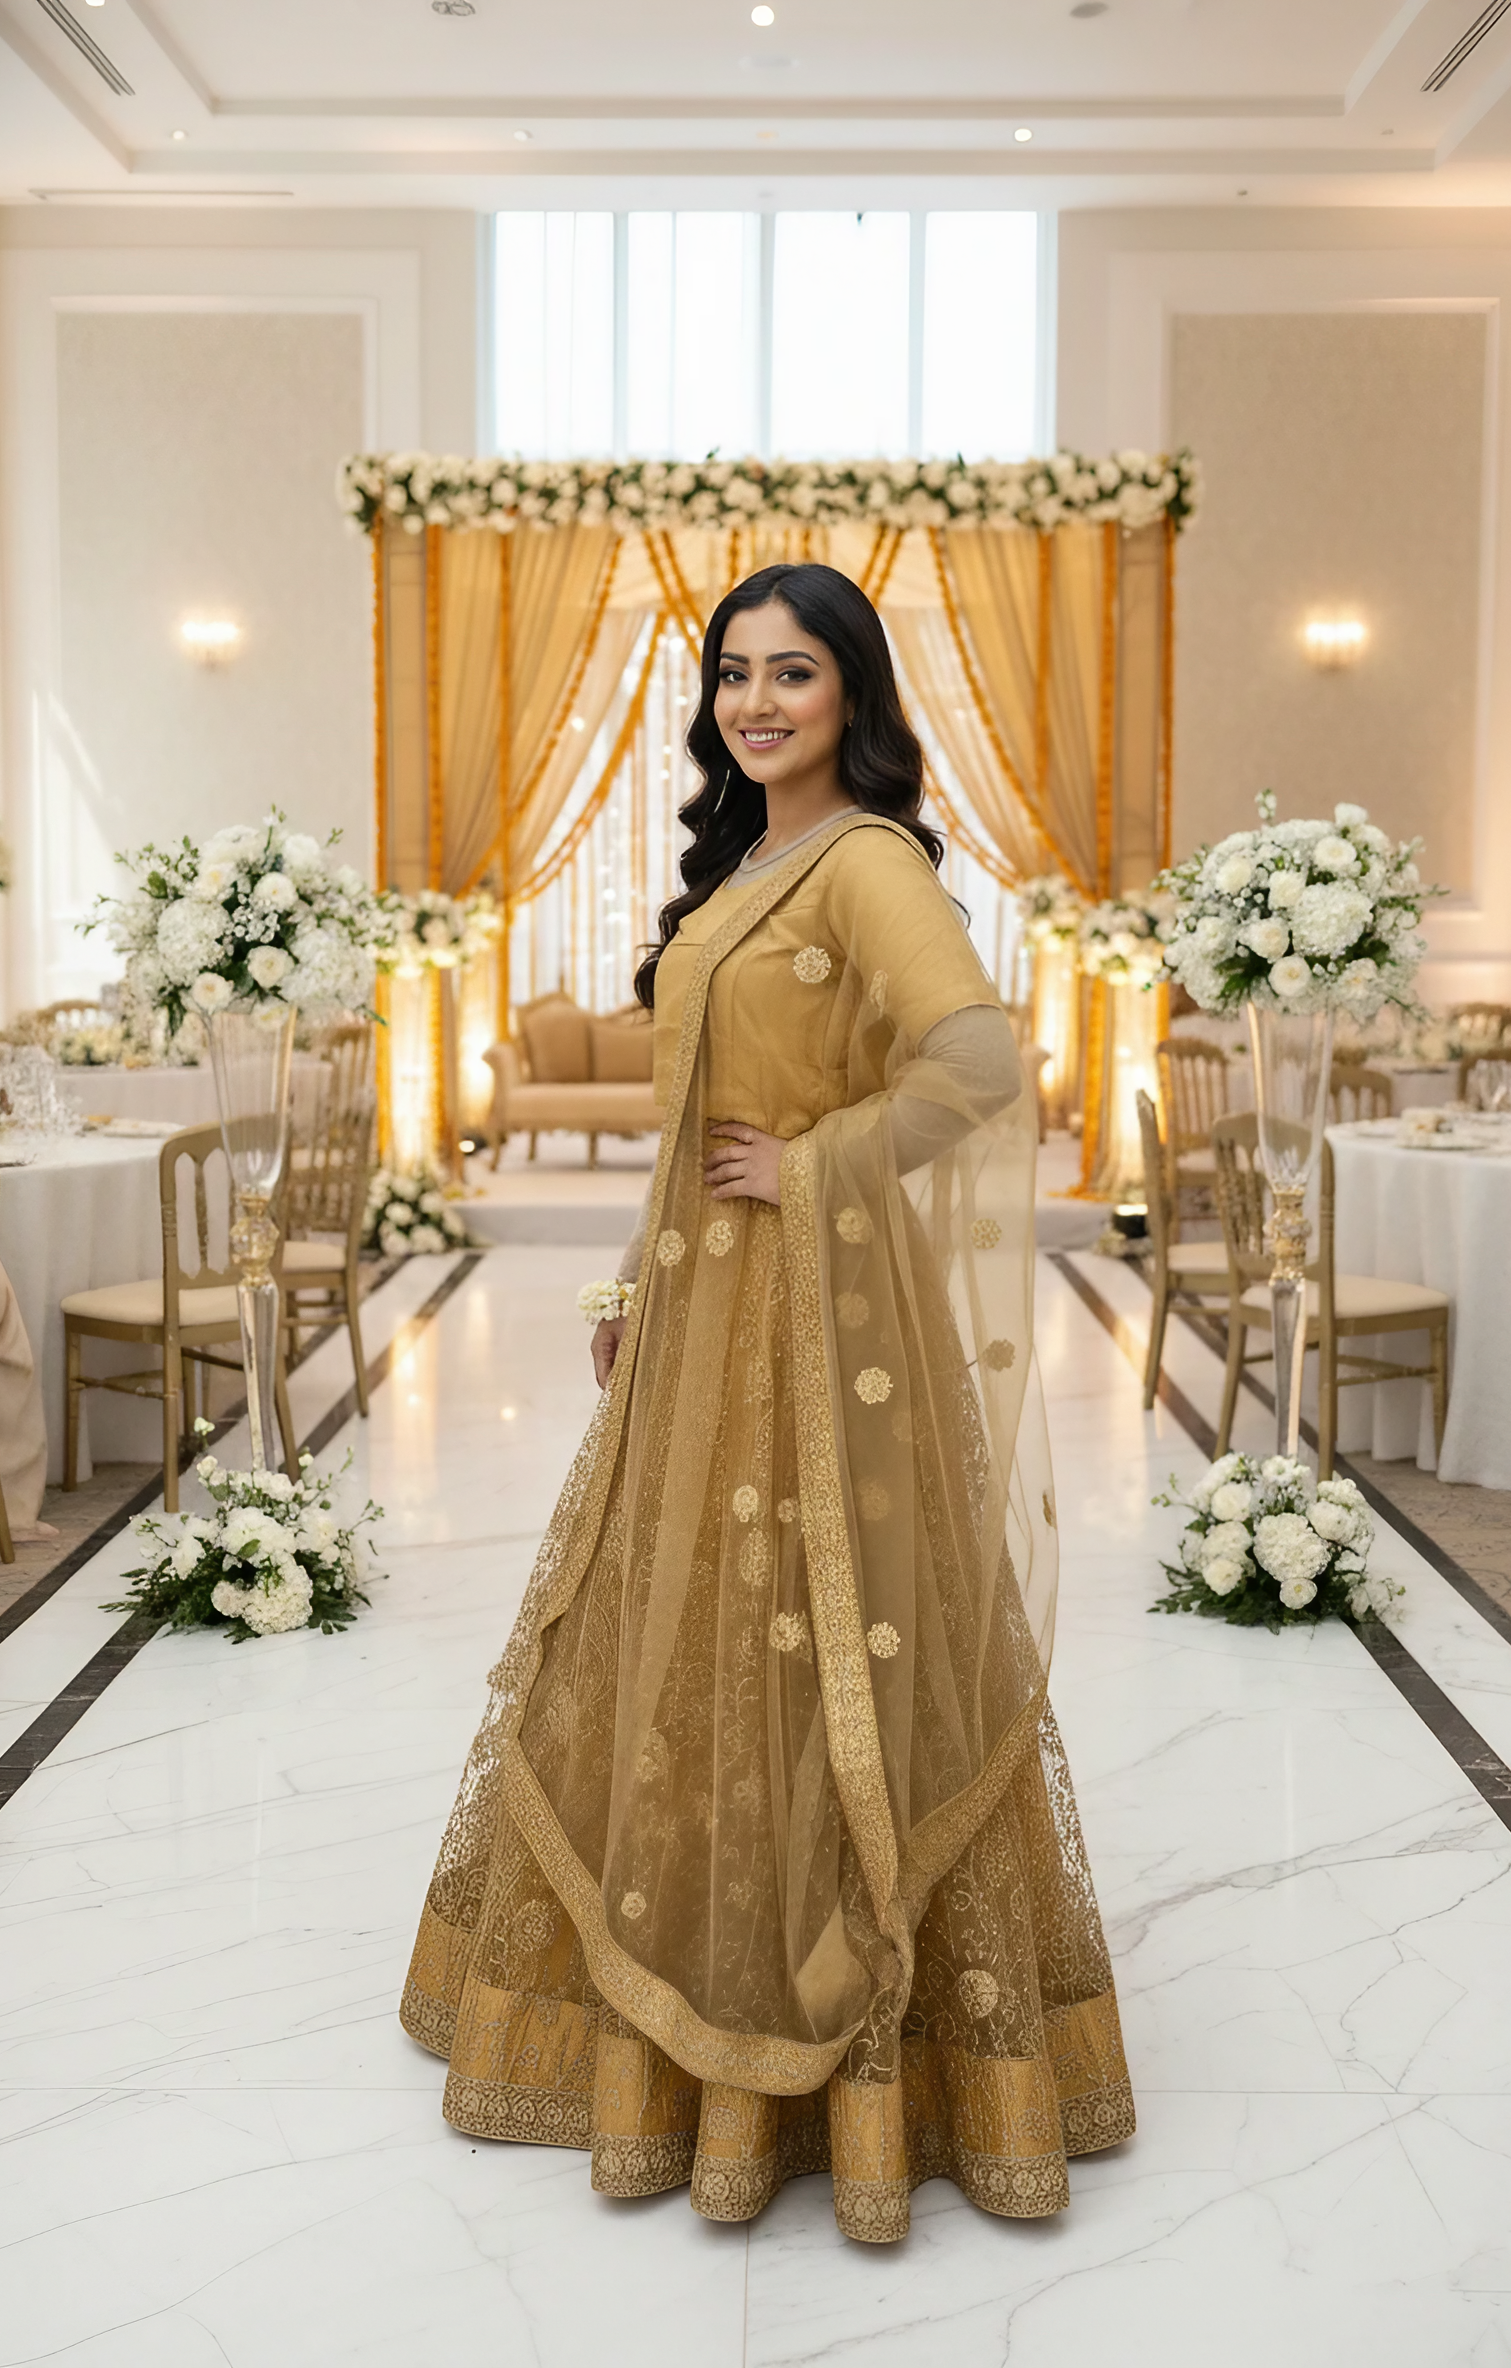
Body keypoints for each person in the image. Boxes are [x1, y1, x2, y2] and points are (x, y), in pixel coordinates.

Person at [401, 562, 1133, 2242]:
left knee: (833, 1639)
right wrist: (635, 1301)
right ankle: (680, 2012)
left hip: (821, 1326)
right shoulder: (749, 860)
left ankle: (869, 2063)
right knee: (695, 1646)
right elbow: (690, 1121)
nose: (755, 703)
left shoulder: (866, 863)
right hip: (710, 1320)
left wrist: (813, 1165)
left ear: (854, 700)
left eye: (792, 674)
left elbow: (974, 1065)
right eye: (734, 674)